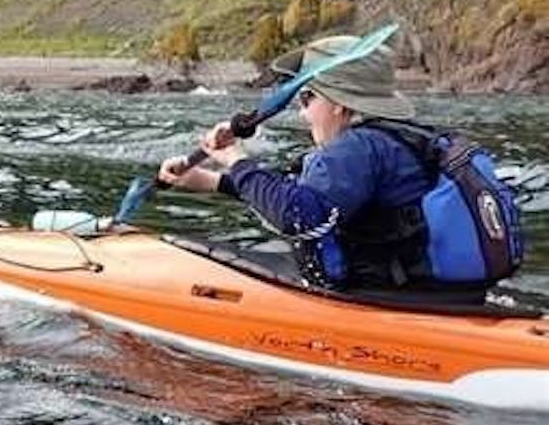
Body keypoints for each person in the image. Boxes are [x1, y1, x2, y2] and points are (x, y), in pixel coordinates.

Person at [156, 34, 509, 302]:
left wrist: (235, 156)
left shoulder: (356, 149)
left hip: (390, 301)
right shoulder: (394, 140)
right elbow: (306, 196)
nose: (302, 113)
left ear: (340, 105)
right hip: (441, 295)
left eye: (308, 98)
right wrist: (211, 181)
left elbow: (298, 215)